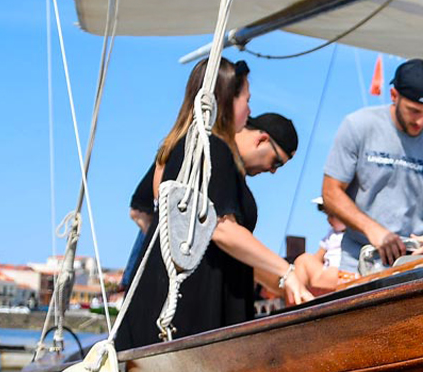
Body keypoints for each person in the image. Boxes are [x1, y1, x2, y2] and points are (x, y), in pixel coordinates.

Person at [114, 64, 311, 351]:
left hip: (160, 307)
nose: (249, 110)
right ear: (229, 99)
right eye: (247, 99)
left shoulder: (179, 148)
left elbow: (145, 211)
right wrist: (286, 273)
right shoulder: (211, 149)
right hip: (194, 316)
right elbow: (220, 229)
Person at [122, 110, 296, 290]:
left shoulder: (202, 152)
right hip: (181, 289)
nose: (273, 171)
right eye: (277, 162)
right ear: (261, 140)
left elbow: (140, 210)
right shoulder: (212, 153)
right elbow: (221, 229)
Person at [321, 58, 423, 269]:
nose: (421, 121)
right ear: (394, 96)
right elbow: (331, 192)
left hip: (420, 264)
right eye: (414, 111)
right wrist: (373, 230)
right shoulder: (358, 126)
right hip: (360, 262)